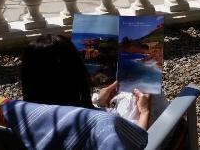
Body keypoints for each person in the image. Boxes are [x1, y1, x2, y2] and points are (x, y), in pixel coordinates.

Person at [21, 34, 153, 130]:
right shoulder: (104, 122)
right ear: (78, 74)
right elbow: (137, 143)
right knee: (140, 97)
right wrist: (144, 111)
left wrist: (97, 102)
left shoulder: (18, 117)